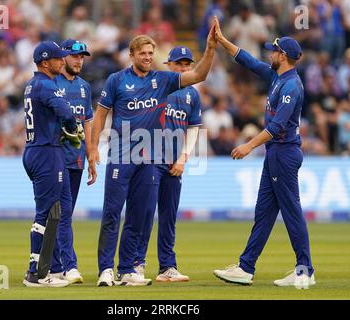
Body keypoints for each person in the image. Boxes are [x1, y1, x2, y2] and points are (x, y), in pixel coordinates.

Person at [91, 19, 219, 287]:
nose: (148, 57)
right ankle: (105, 269)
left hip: (149, 160)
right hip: (122, 156)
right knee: (112, 213)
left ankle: (127, 269)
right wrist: (92, 148)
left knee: (140, 215)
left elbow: (199, 76)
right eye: (143, 53)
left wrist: (210, 49)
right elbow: (101, 113)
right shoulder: (117, 80)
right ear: (132, 55)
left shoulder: (162, 80)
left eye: (151, 53)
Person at [212, 29, 315, 289]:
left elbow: (278, 125)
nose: (270, 54)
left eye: (274, 51)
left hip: (284, 153)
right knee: (264, 213)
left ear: (283, 56)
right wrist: (223, 41)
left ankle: (305, 271)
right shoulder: (276, 76)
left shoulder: (291, 85)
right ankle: (246, 267)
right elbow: (248, 60)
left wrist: (248, 146)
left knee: (291, 212)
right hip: (276, 154)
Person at [133, 46, 202, 282]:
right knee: (145, 211)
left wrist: (183, 158)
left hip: (175, 162)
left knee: (169, 216)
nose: (184, 68)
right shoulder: (158, 86)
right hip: (150, 159)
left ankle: (167, 267)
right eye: (179, 64)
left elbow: (193, 129)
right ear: (169, 65)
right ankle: (136, 263)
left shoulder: (192, 94)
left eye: (187, 64)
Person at [22, 41, 84, 287]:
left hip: (38, 150)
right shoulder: (47, 85)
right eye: (59, 58)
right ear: (46, 62)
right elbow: (67, 113)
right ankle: (35, 273)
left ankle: (52, 268)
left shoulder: (32, 84)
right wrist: (72, 129)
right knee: (45, 214)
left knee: (59, 210)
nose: (63, 61)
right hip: (47, 152)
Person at [49, 39, 97, 284]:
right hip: (55, 158)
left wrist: (91, 154)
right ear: (63, 57)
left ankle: (52, 265)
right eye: (75, 56)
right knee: (63, 214)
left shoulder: (84, 87)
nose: (80, 60)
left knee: (60, 215)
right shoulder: (51, 82)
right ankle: (70, 266)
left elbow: (88, 121)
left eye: (83, 56)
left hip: (76, 159)